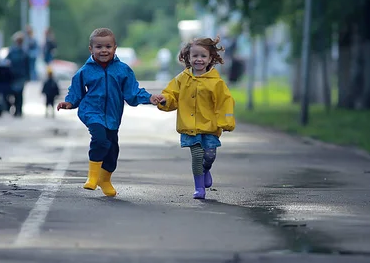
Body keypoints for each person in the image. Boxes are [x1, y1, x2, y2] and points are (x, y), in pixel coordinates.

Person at [57, 28, 163, 197]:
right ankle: (92, 177)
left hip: (113, 115)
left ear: (115, 48)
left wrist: (149, 98)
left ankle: (104, 180)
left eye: (108, 46)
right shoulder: (85, 71)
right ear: (91, 49)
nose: (104, 50)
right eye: (99, 47)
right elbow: (75, 91)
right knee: (100, 140)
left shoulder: (122, 70)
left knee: (112, 151)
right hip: (91, 112)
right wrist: (69, 103)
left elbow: (132, 92)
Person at [157, 36, 236, 199]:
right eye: (195, 56)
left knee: (209, 156)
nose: (198, 59)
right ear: (188, 57)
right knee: (198, 155)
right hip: (189, 127)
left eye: (203, 56)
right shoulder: (181, 79)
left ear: (210, 59)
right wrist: (165, 100)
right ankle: (199, 188)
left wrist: (226, 122)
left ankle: (206, 170)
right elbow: (171, 94)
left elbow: (225, 103)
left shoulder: (216, 82)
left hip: (210, 127)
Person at [6, 32, 30, 117]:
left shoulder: (24, 52)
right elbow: (7, 62)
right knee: (14, 93)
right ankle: (16, 109)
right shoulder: (12, 51)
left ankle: (19, 110)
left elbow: (27, 65)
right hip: (13, 76)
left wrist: (27, 76)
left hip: (20, 76)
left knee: (19, 94)